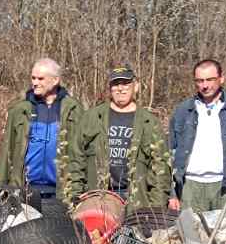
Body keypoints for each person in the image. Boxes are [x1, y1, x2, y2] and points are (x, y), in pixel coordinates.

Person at [66, 65, 171, 207]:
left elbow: (160, 169)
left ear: (136, 86)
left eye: (126, 83)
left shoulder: (150, 122)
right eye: (115, 84)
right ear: (110, 88)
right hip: (98, 197)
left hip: (135, 200)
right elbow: (76, 158)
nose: (120, 88)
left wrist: (156, 207)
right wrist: (76, 196)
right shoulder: (92, 117)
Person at [168, 59, 226, 214]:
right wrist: (172, 194)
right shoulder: (183, 111)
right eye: (200, 81)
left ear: (221, 78)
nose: (205, 85)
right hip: (190, 187)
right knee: (191, 230)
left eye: (210, 79)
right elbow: (169, 153)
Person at [0, 57, 83, 201]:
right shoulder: (19, 109)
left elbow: (81, 153)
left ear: (55, 80)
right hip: (25, 191)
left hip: (61, 193)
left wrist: (79, 190)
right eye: (33, 78)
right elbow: (7, 151)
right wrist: (1, 186)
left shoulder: (73, 109)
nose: (35, 83)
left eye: (41, 79)